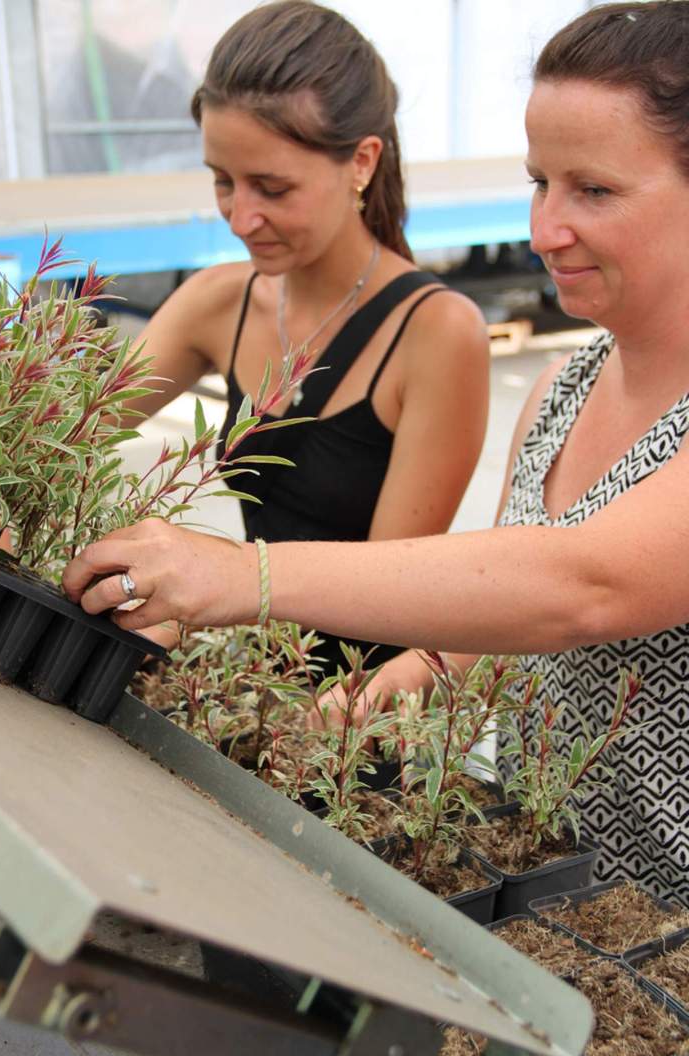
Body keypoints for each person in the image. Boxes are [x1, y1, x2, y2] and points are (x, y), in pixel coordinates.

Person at [65, 0, 689, 906]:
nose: (545, 228)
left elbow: (582, 587)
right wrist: (393, 686)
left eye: (592, 190)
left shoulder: (436, 331)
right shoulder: (566, 387)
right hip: (553, 897)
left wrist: (244, 577)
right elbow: (510, 631)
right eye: (539, 182)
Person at [128, 0, 489, 671]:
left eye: (271, 187)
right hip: (236, 676)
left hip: (343, 722)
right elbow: (61, 424)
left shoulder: (436, 333)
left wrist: (220, 582)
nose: (240, 216)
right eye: (222, 182)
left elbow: (392, 594)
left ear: (361, 162)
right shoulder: (217, 301)